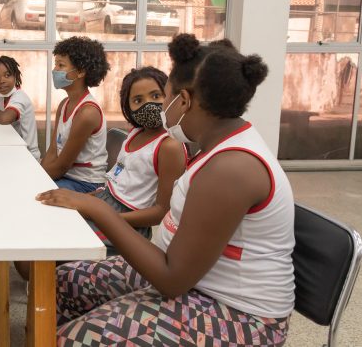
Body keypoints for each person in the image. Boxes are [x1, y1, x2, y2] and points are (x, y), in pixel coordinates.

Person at [39, 34, 294, 346]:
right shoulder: (212, 148)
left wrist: (99, 210)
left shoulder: (231, 169)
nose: (158, 110)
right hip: (194, 280)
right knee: (66, 280)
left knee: (74, 340)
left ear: (184, 101)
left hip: (239, 314)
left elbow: (172, 280)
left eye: (165, 96)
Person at [61, 67, 187, 256]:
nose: (148, 105)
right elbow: (119, 180)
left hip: (130, 222)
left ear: (169, 96)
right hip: (106, 201)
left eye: (156, 96)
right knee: (54, 217)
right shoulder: (135, 133)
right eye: (138, 100)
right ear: (128, 107)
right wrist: (90, 199)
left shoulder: (169, 146)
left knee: (59, 243)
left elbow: (161, 212)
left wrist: (109, 217)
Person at [41, 37, 110, 192]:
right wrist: (38, 173)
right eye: (55, 64)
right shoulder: (64, 105)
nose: (54, 70)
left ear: (80, 72)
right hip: (65, 177)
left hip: (86, 183)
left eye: (61, 65)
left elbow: (63, 165)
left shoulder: (87, 113)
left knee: (34, 193)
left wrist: (36, 179)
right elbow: (53, 151)